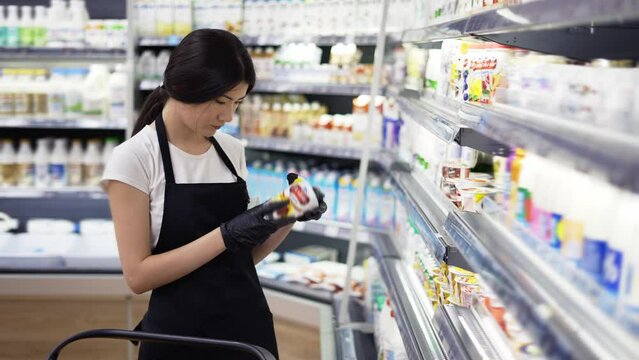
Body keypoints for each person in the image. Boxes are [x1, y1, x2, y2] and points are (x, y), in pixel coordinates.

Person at [101, 29, 327, 359]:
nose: (229, 116)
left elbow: (238, 263)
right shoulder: (135, 158)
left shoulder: (231, 150)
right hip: (178, 340)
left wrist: (288, 213)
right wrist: (228, 234)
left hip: (247, 333)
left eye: (237, 103)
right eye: (220, 102)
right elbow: (138, 276)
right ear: (184, 87)